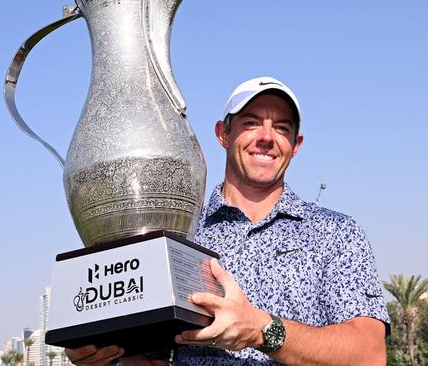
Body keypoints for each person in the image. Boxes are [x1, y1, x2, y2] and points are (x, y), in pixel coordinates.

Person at [66, 76, 390, 365]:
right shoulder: (182, 233)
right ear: (223, 133)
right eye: (251, 122)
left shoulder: (335, 233)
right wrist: (113, 357)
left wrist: (262, 330)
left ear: (295, 145)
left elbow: (369, 355)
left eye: (282, 127)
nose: (267, 137)